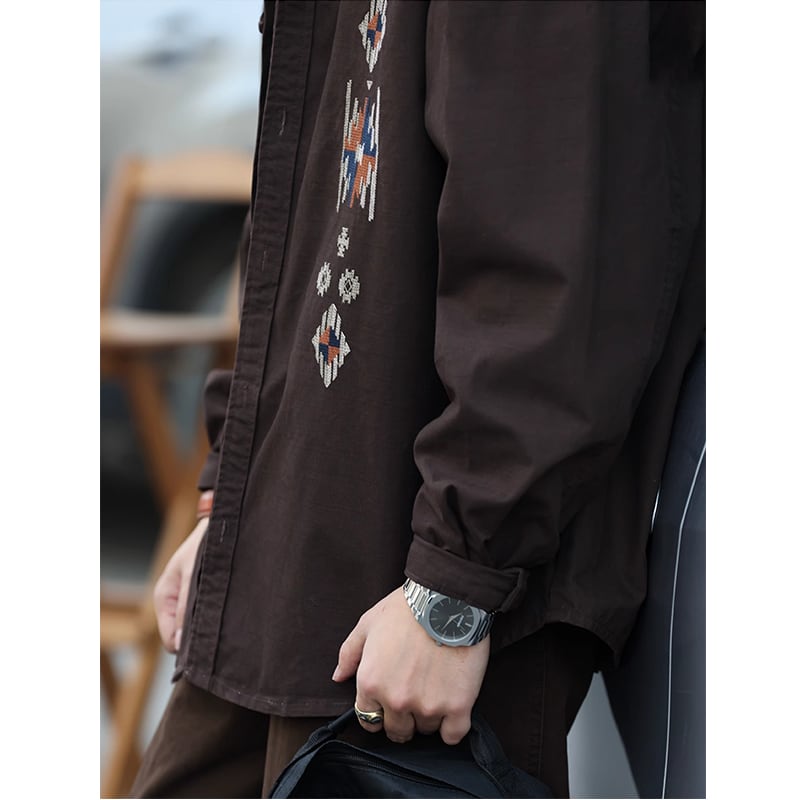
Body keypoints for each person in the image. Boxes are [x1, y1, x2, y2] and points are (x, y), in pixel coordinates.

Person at [130, 1, 705, 797]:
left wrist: (455, 584)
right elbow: (299, 200)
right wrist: (228, 499)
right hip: (287, 543)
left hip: (429, 592)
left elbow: (556, 238)